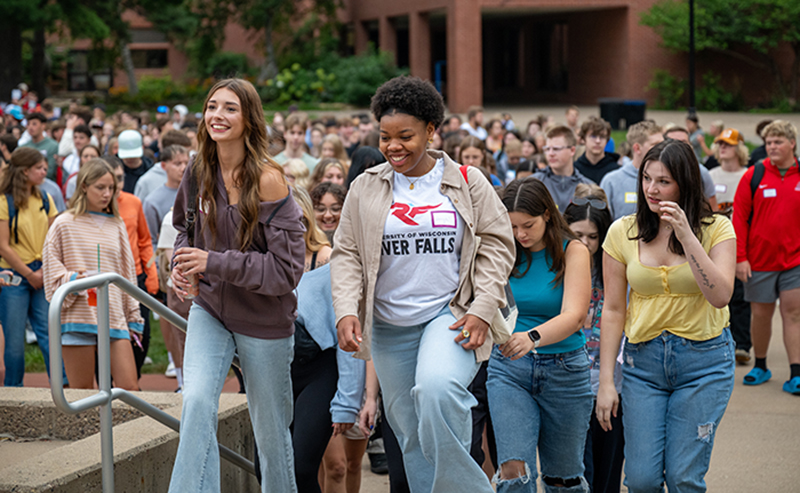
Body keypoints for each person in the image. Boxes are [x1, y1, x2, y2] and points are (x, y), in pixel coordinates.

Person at [332, 76, 514, 493]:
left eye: (406, 136)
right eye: (385, 136)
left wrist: (483, 308)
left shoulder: (468, 181)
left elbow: (499, 245)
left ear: (432, 131)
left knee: (436, 390)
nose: (394, 146)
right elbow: (347, 255)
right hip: (390, 329)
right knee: (410, 436)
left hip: (449, 316)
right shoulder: (365, 187)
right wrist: (345, 308)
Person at [167, 78, 305, 492]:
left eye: (230, 108)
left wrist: (214, 262)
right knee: (194, 403)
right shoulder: (197, 170)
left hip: (264, 320)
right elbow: (183, 232)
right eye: (212, 107)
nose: (218, 116)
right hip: (210, 309)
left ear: (249, 119)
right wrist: (182, 263)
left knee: (271, 434)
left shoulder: (268, 179)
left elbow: (286, 271)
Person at [597, 139, 737, 492]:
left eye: (664, 181)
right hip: (643, 364)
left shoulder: (717, 229)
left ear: (685, 183)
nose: (652, 190)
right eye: (646, 178)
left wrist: (687, 236)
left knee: (682, 478)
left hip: (704, 363)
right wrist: (606, 380)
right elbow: (613, 310)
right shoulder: (622, 231)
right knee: (641, 480)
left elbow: (720, 296)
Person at [488, 177, 593, 492]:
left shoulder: (574, 250)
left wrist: (530, 337)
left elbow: (574, 317)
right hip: (509, 368)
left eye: (528, 225)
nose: (520, 234)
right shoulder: (504, 248)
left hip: (565, 370)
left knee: (564, 478)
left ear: (547, 214)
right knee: (513, 471)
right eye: (513, 226)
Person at [283, 186, 366, 493]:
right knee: (266, 466)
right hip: (276, 370)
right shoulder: (262, 262)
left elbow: (347, 332)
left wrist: (347, 402)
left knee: (303, 467)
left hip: (320, 368)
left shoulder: (328, 260)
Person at [42, 159, 142, 390]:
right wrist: (75, 280)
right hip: (77, 315)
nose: (107, 194)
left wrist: (134, 316)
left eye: (111, 188)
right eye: (100, 187)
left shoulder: (116, 224)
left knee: (130, 390)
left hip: (114, 314)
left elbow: (127, 274)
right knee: (82, 395)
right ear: (84, 186)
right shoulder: (63, 223)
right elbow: (51, 271)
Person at [563, 185, 623, 493]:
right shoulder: (555, 269)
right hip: (568, 385)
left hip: (609, 384)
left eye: (593, 237)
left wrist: (608, 383)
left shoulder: (616, 270)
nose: (585, 244)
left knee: (607, 472)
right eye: (577, 235)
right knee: (574, 470)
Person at [732, 120, 800, 394]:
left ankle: (796, 373)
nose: (771, 146)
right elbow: (739, 218)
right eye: (769, 142)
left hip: (795, 261)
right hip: (758, 261)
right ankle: (760, 365)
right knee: (760, 314)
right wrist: (740, 258)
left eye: (778, 142)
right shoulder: (754, 174)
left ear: (791, 144)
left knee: (793, 314)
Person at [0, 147, 61, 386]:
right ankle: (14, 389)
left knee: (50, 332)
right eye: (39, 168)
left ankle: (63, 385)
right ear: (25, 171)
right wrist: (29, 274)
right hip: (14, 274)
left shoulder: (46, 198)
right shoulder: (5, 201)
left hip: (41, 271)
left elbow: (54, 237)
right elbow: (3, 247)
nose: (45, 171)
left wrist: (44, 270)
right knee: (14, 339)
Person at [708, 128, 752, 365]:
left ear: (740, 148)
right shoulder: (711, 175)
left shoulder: (749, 175)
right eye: (720, 144)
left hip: (743, 242)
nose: (722, 147)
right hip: (715, 243)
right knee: (718, 291)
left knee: (742, 295)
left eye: (728, 144)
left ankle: (742, 344)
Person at [600, 121, 664, 221]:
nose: (663, 149)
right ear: (637, 148)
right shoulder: (611, 181)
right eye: (655, 145)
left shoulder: (669, 179)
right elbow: (602, 222)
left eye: (663, 144)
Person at [533, 125, 593, 212]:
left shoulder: (587, 187)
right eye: (547, 149)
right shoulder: (535, 183)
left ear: (572, 150)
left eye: (556, 149)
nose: (550, 153)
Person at [143, 145, 189, 248]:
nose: (183, 168)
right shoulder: (152, 201)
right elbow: (150, 241)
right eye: (177, 164)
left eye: (186, 163)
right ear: (164, 166)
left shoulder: (199, 193)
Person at [663, 126, 718, 210]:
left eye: (683, 143)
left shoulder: (701, 172)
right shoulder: (655, 171)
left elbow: (713, 209)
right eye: (672, 142)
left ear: (691, 147)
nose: (678, 147)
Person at [574, 117, 620, 185]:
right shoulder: (574, 170)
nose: (598, 141)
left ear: (607, 141)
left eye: (602, 137)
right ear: (583, 139)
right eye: (593, 136)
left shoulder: (616, 171)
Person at [20, 112, 59, 182]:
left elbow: (50, 171)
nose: (30, 127)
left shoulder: (53, 146)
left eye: (34, 124)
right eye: (28, 124)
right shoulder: (23, 147)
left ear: (43, 126)